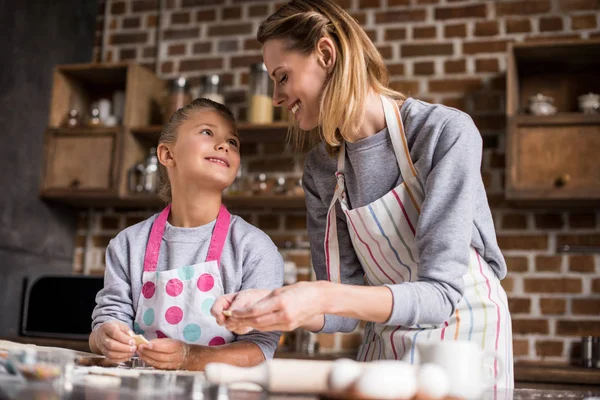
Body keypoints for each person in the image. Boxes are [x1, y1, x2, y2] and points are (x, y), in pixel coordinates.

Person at [212, 0, 513, 387]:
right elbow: (346, 308)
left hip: (462, 345)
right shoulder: (321, 170)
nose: (276, 97)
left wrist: (318, 296)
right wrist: (271, 302)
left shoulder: (442, 133)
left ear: (325, 54)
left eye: (282, 77)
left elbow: (440, 297)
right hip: (382, 350)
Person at [90, 98, 283, 370]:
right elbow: (106, 323)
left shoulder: (254, 248)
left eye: (233, 142)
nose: (224, 145)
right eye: (207, 132)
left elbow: (260, 348)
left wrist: (189, 357)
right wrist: (105, 337)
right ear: (168, 155)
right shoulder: (128, 244)